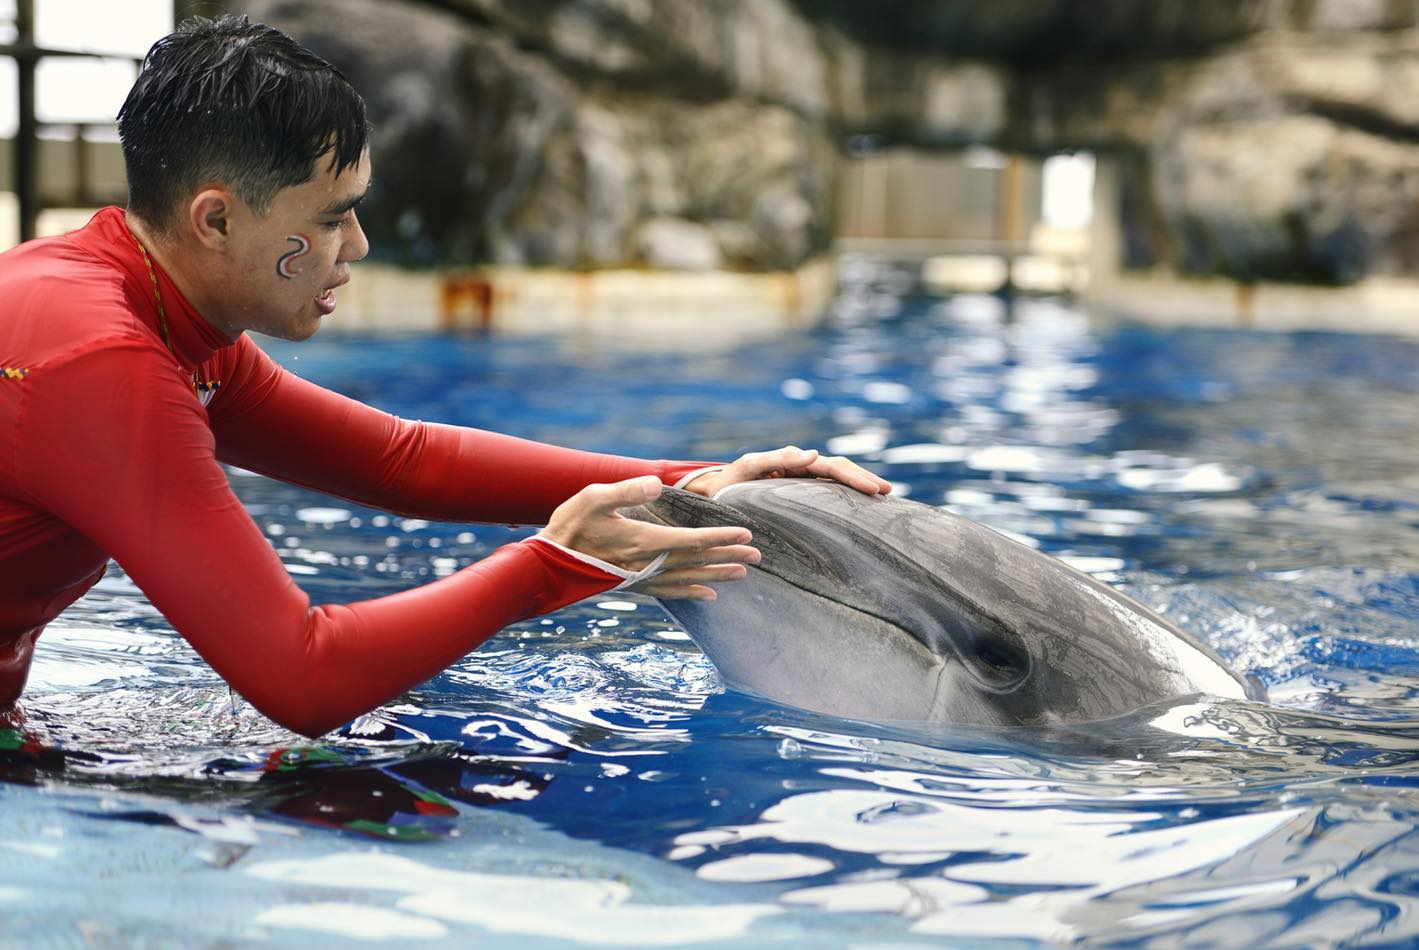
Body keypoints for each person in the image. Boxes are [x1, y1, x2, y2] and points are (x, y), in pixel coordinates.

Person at [0, 16, 888, 739]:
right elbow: (303, 678)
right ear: (217, 220)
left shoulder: (151, 308)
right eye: (335, 218)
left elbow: (402, 460)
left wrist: (693, 484)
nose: (359, 248)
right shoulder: (102, 361)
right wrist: (549, 569)